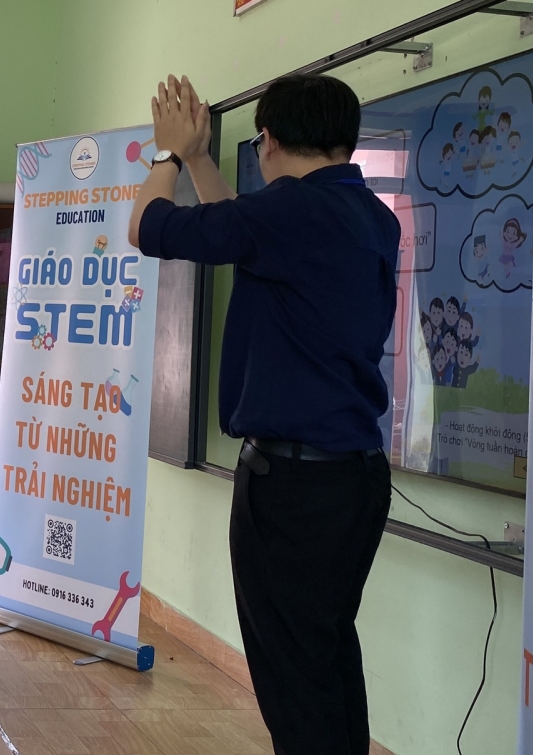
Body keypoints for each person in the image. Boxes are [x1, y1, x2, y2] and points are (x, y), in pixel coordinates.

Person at [128, 74, 399, 755]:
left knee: (293, 681)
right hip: (353, 479)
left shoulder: (288, 214)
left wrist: (167, 154)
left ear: (269, 141)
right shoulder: (371, 215)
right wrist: (200, 160)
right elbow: (244, 230)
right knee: (324, 659)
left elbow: (147, 227)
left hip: (294, 492)